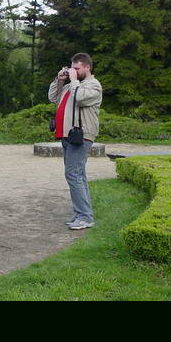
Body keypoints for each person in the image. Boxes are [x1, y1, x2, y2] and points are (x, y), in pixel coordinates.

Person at [48, 53, 103, 230]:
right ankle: (82, 213)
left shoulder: (93, 85)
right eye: (72, 68)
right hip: (67, 135)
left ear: (87, 67)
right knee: (78, 174)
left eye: (77, 68)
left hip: (82, 135)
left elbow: (80, 98)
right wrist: (59, 80)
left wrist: (73, 80)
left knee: (72, 174)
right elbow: (53, 98)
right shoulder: (71, 85)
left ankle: (85, 217)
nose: (74, 71)